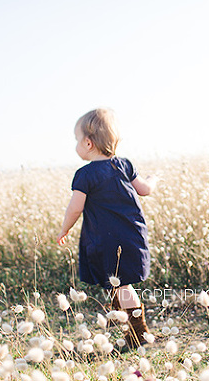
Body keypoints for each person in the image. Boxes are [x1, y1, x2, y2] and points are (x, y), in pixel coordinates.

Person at [58, 108, 158, 348]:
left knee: (121, 283)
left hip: (105, 239)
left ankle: (139, 333)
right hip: (132, 234)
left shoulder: (85, 175)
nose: (75, 146)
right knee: (115, 280)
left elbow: (75, 208)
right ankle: (121, 318)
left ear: (88, 143)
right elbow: (144, 189)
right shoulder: (123, 165)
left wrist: (65, 229)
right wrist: (154, 179)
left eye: (76, 140)